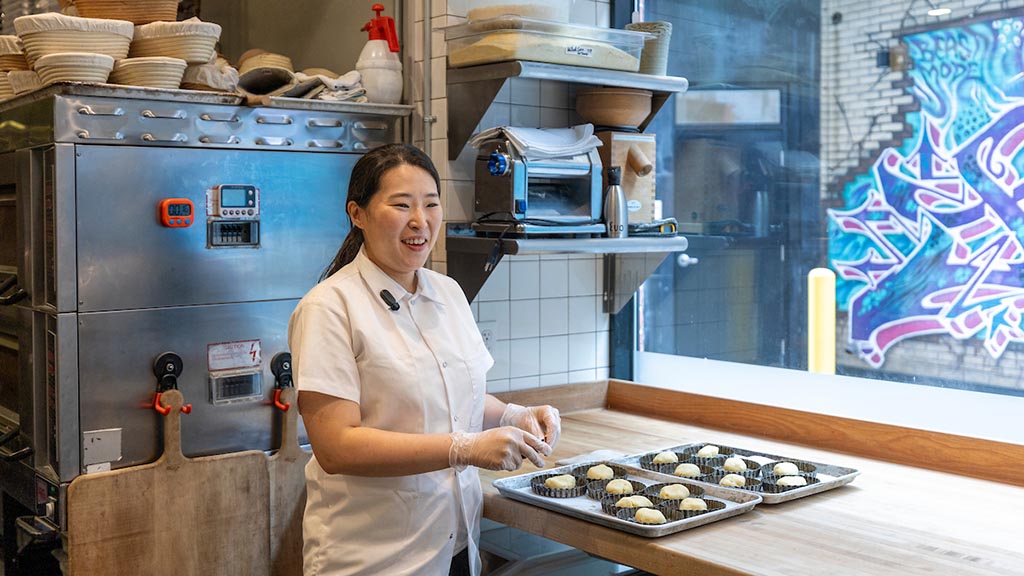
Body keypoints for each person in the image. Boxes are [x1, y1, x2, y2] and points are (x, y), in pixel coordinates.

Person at [288, 143, 562, 576]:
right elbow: (336, 446)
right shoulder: (329, 307)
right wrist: (463, 448)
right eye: (401, 205)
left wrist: (514, 414)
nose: (420, 221)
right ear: (357, 214)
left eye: (431, 204)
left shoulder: (447, 293)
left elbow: (454, 395)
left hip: (455, 543)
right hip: (374, 556)